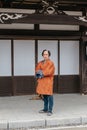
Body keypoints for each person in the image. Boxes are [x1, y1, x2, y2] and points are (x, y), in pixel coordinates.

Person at [35, 49, 55, 116]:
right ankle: (45, 109)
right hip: (42, 80)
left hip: (48, 80)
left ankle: (50, 110)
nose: (45, 55)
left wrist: (41, 73)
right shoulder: (40, 62)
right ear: (42, 55)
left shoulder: (51, 63)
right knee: (44, 95)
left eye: (46, 54)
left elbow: (49, 72)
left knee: (49, 95)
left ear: (49, 55)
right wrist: (38, 73)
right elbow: (37, 70)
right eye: (44, 54)